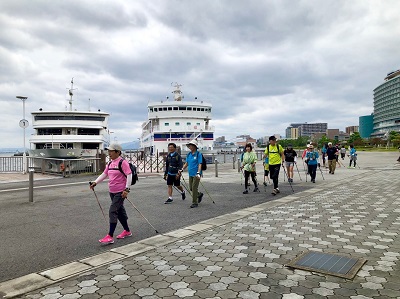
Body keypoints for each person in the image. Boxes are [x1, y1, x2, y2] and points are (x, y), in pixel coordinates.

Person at [90, 143, 132, 244]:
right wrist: (95, 182)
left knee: (113, 211)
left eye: (111, 151)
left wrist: (126, 190)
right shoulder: (110, 163)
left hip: (120, 192)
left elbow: (129, 175)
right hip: (112, 192)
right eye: (108, 151)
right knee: (120, 212)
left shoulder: (122, 162)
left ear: (117, 152)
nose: (109, 153)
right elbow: (105, 174)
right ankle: (127, 231)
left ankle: (110, 236)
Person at [179, 139, 204, 208]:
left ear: (194, 146)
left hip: (196, 174)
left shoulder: (199, 154)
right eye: (189, 146)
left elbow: (200, 164)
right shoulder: (189, 154)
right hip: (190, 173)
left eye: (191, 146)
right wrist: (182, 169)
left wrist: (199, 172)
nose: (189, 147)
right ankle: (199, 194)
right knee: (191, 188)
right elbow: (187, 163)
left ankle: (194, 202)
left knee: (194, 187)